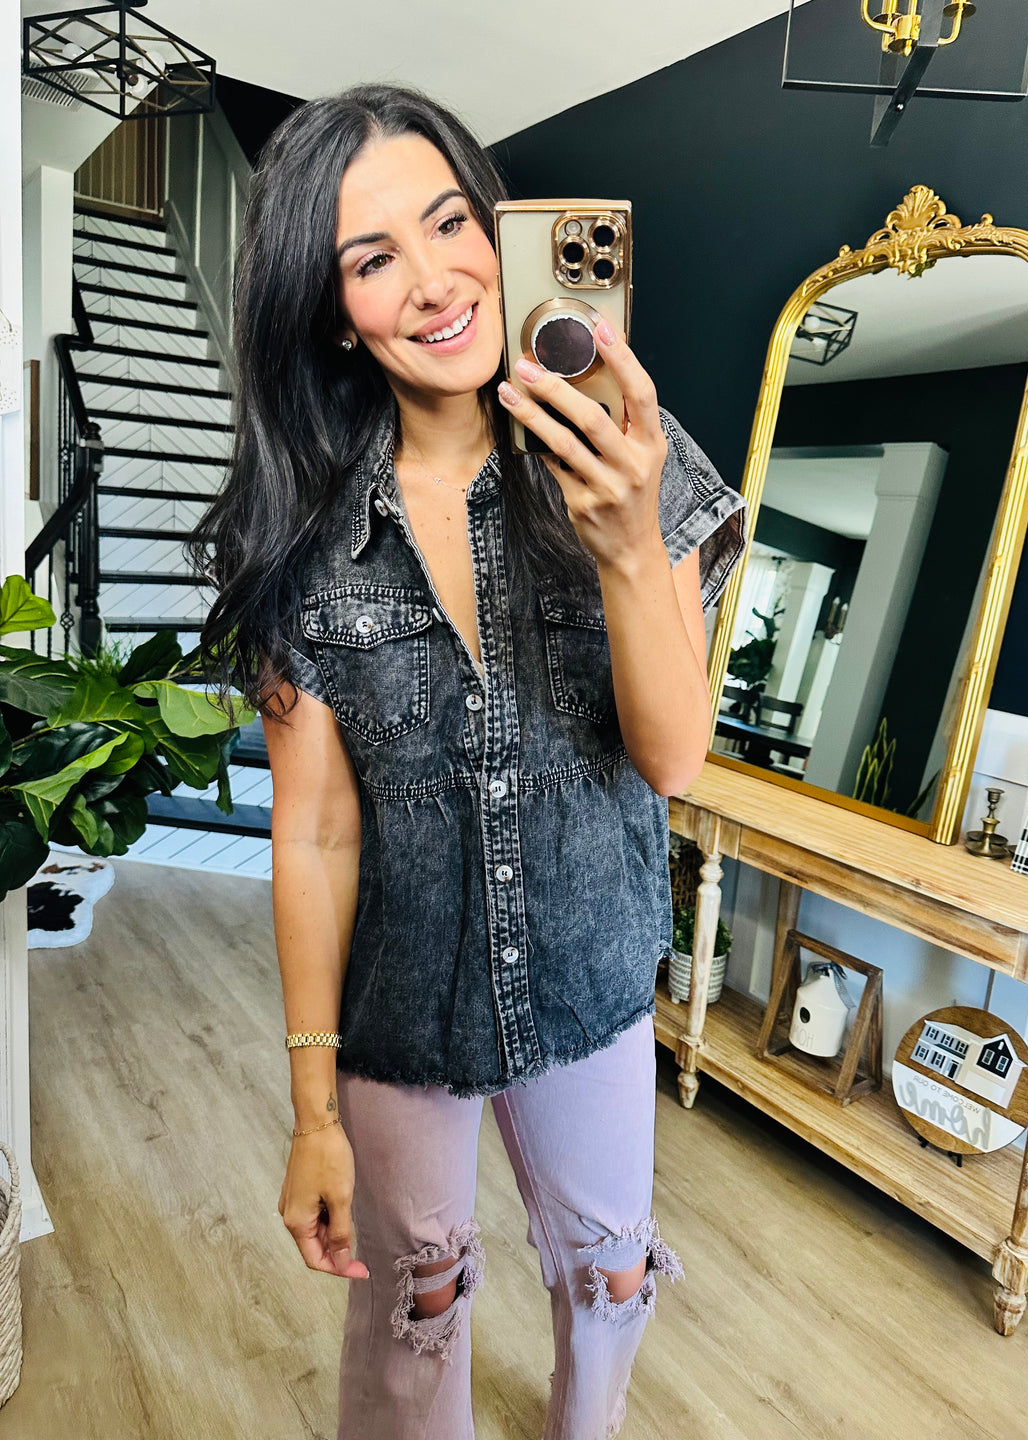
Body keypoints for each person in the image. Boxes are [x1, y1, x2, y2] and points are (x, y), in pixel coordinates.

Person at [192, 82, 746, 1440]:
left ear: (501, 232)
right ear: (336, 312)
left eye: (452, 225)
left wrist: (629, 546)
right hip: (403, 1006)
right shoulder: (305, 539)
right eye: (374, 258)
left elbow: (673, 760)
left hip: (591, 970)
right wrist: (312, 1113)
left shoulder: (633, 455)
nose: (437, 281)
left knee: (613, 1275)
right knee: (416, 1300)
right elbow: (313, 838)